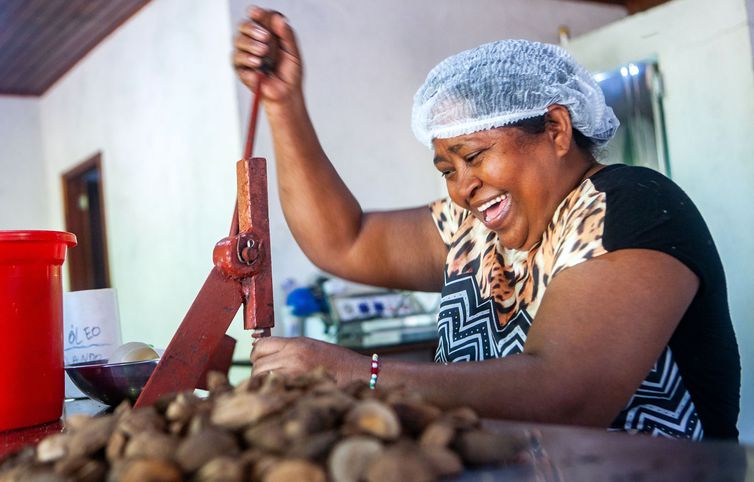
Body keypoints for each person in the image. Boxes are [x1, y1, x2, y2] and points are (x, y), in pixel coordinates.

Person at [232, 7, 740, 440]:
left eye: (474, 156)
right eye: (448, 170)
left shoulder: (631, 206)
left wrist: (355, 373)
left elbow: (565, 394)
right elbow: (345, 241)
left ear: (557, 130)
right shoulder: (474, 231)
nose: (462, 187)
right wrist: (283, 104)